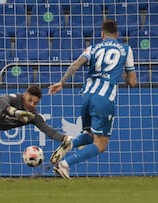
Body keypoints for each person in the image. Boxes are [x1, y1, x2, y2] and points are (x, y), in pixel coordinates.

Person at [48, 19, 138, 179]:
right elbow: (132, 82)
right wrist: (121, 71)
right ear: (117, 35)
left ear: (102, 34)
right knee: (101, 144)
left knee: (90, 135)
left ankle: (71, 143)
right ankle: (65, 165)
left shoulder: (93, 48)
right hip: (103, 99)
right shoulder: (125, 49)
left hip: (87, 97)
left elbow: (76, 64)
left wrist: (61, 82)